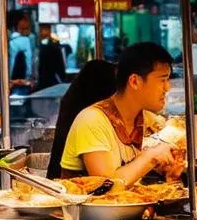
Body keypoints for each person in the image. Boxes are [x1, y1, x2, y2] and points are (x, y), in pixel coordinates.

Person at [59, 42, 179, 185]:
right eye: (162, 79)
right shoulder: (92, 121)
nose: (168, 87)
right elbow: (106, 186)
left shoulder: (148, 120)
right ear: (134, 81)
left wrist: (171, 169)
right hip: (86, 207)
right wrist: (151, 157)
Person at [47, 60, 116, 179]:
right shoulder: (90, 121)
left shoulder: (74, 106)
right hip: (74, 191)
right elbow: (108, 182)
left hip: (57, 181)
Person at [8, 12, 35, 93]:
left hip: (12, 82)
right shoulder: (26, 40)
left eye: (28, 28)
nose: (27, 31)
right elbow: (29, 63)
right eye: (24, 28)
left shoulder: (11, 41)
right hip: (23, 82)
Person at [36, 24, 66, 91]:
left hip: (51, 80)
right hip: (44, 80)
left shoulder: (52, 44)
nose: (41, 32)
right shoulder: (39, 44)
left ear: (49, 30)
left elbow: (59, 65)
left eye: (43, 29)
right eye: (40, 30)